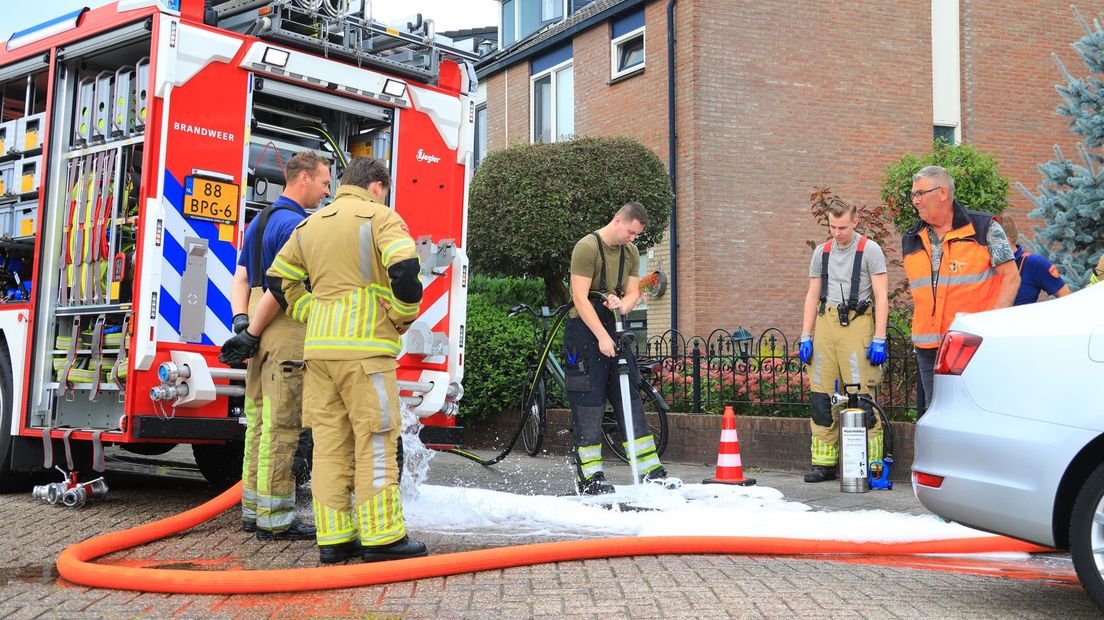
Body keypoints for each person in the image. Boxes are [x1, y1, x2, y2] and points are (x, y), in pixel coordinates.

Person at [266, 157, 427, 564]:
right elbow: (406, 270)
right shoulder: (381, 216)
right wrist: (400, 316)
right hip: (366, 352)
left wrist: (309, 312)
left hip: (320, 353)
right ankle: (382, 537)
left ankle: (335, 539)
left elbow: (278, 279)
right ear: (376, 187)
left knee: (329, 443)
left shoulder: (309, 224)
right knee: (376, 438)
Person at [219, 151, 331, 541]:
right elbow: (281, 286)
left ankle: (253, 511)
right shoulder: (297, 225)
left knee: (258, 424)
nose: (326, 192)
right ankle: (276, 519)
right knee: (282, 427)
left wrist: (243, 325)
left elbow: (243, 277)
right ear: (302, 179)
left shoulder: (259, 221)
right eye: (323, 183)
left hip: (256, 326)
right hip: (282, 332)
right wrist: (255, 330)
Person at [565, 201, 677, 495]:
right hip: (585, 332)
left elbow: (633, 294)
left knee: (628, 396)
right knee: (588, 403)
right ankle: (589, 477)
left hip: (616, 327)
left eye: (636, 235)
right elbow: (579, 298)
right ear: (617, 220)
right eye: (630, 232)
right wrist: (602, 337)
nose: (632, 239)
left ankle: (650, 471)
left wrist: (621, 305)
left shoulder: (629, 252)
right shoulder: (587, 247)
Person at [903, 166, 1019, 415]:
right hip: (929, 348)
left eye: (920, 194)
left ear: (943, 192)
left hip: (971, 345)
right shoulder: (912, 237)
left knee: (979, 414)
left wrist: (992, 328)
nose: (915, 201)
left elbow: (1011, 278)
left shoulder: (983, 228)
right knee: (937, 417)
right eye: (913, 195)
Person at [798, 198, 889, 483]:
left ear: (855, 221)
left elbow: (882, 295)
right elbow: (813, 295)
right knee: (821, 397)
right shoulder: (822, 253)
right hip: (826, 326)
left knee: (861, 397)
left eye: (842, 227)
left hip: (857, 325)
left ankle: (873, 465)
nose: (837, 233)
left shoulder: (870, 250)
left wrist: (879, 338)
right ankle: (824, 464)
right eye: (832, 226)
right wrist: (805, 335)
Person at [1000, 216, 1070, 305]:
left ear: (1006, 241)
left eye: (990, 240)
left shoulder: (1034, 263)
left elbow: (1065, 295)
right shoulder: (987, 263)